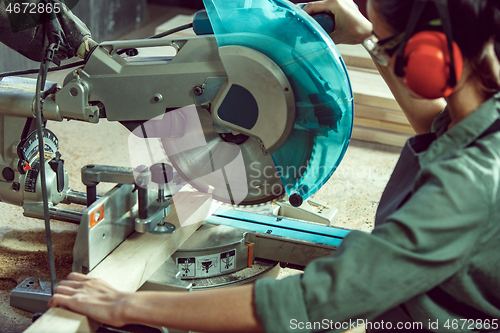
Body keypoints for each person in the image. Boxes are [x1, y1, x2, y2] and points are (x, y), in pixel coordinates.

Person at [47, 0, 500, 332]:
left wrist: (124, 306)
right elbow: (432, 122)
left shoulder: (465, 186)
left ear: (431, 59)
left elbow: (314, 304)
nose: (380, 53)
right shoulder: (482, 115)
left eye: (386, 46)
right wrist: (364, 35)